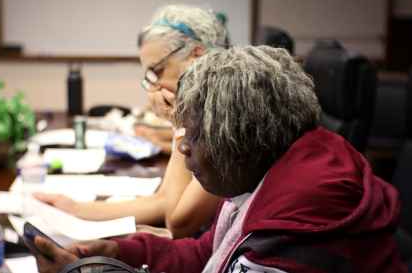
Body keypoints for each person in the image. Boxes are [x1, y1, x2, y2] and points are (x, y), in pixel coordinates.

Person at [26, 45, 407, 273]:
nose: (181, 148)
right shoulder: (263, 174)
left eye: (193, 135)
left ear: (242, 139)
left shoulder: (288, 237)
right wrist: (119, 252)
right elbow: (208, 252)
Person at [34, 4, 227, 239]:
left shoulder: (228, 119)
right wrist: (76, 209)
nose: (153, 89)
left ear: (197, 54)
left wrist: (179, 123)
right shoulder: (205, 114)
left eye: (157, 71)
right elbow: (163, 199)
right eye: (149, 79)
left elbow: (177, 222)